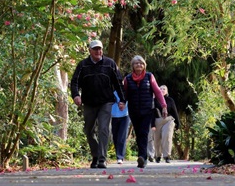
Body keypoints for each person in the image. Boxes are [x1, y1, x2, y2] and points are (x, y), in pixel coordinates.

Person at [70, 40, 126, 169]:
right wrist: (76, 95)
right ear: (90, 50)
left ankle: (102, 158)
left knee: (103, 129)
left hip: (106, 102)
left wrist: (122, 100)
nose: (98, 52)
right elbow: (75, 82)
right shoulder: (83, 65)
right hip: (89, 102)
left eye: (100, 49)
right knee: (89, 130)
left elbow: (118, 83)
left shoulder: (110, 64)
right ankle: (95, 155)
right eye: (95, 49)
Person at [123, 55, 167, 168]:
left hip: (147, 110)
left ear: (144, 66)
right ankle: (142, 156)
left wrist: (164, 106)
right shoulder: (127, 79)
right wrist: (122, 102)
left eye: (141, 63)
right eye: (136, 63)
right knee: (138, 133)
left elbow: (157, 92)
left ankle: (142, 157)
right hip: (133, 110)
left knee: (144, 132)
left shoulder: (149, 76)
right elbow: (125, 94)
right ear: (132, 65)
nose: (139, 65)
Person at [153, 85, 180, 163]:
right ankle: (158, 156)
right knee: (157, 139)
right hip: (157, 120)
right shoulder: (154, 100)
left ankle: (167, 156)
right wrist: (152, 124)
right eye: (160, 89)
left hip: (168, 120)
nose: (162, 90)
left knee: (167, 137)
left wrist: (178, 123)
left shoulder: (170, 100)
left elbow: (175, 112)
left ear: (167, 91)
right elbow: (151, 113)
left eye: (164, 89)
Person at [111, 91, 129, 164]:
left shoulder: (125, 88)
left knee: (121, 137)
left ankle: (120, 156)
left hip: (125, 115)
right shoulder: (111, 88)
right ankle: (118, 154)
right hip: (114, 115)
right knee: (115, 137)